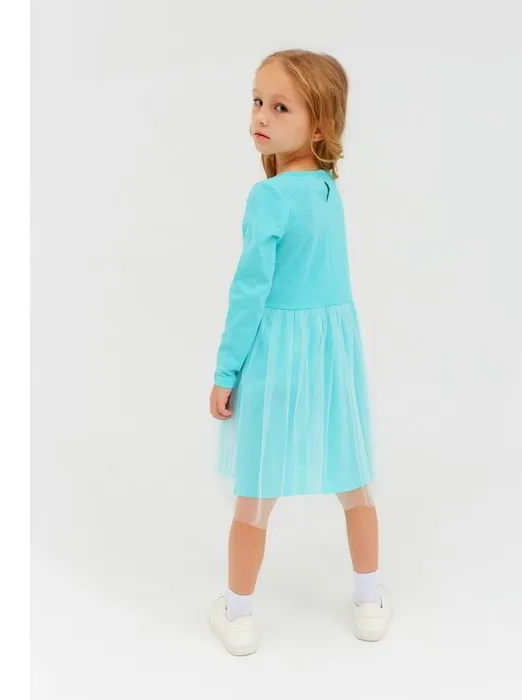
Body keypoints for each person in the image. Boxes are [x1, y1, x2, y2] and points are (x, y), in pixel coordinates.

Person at [208, 49, 392, 656]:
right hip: (332, 357)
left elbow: (249, 292)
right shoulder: (327, 189)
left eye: (280, 107)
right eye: (257, 101)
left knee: (255, 496)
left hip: (277, 358)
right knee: (355, 485)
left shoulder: (269, 198)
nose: (260, 115)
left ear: (319, 126)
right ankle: (368, 599)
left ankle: (238, 613)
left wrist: (226, 371)